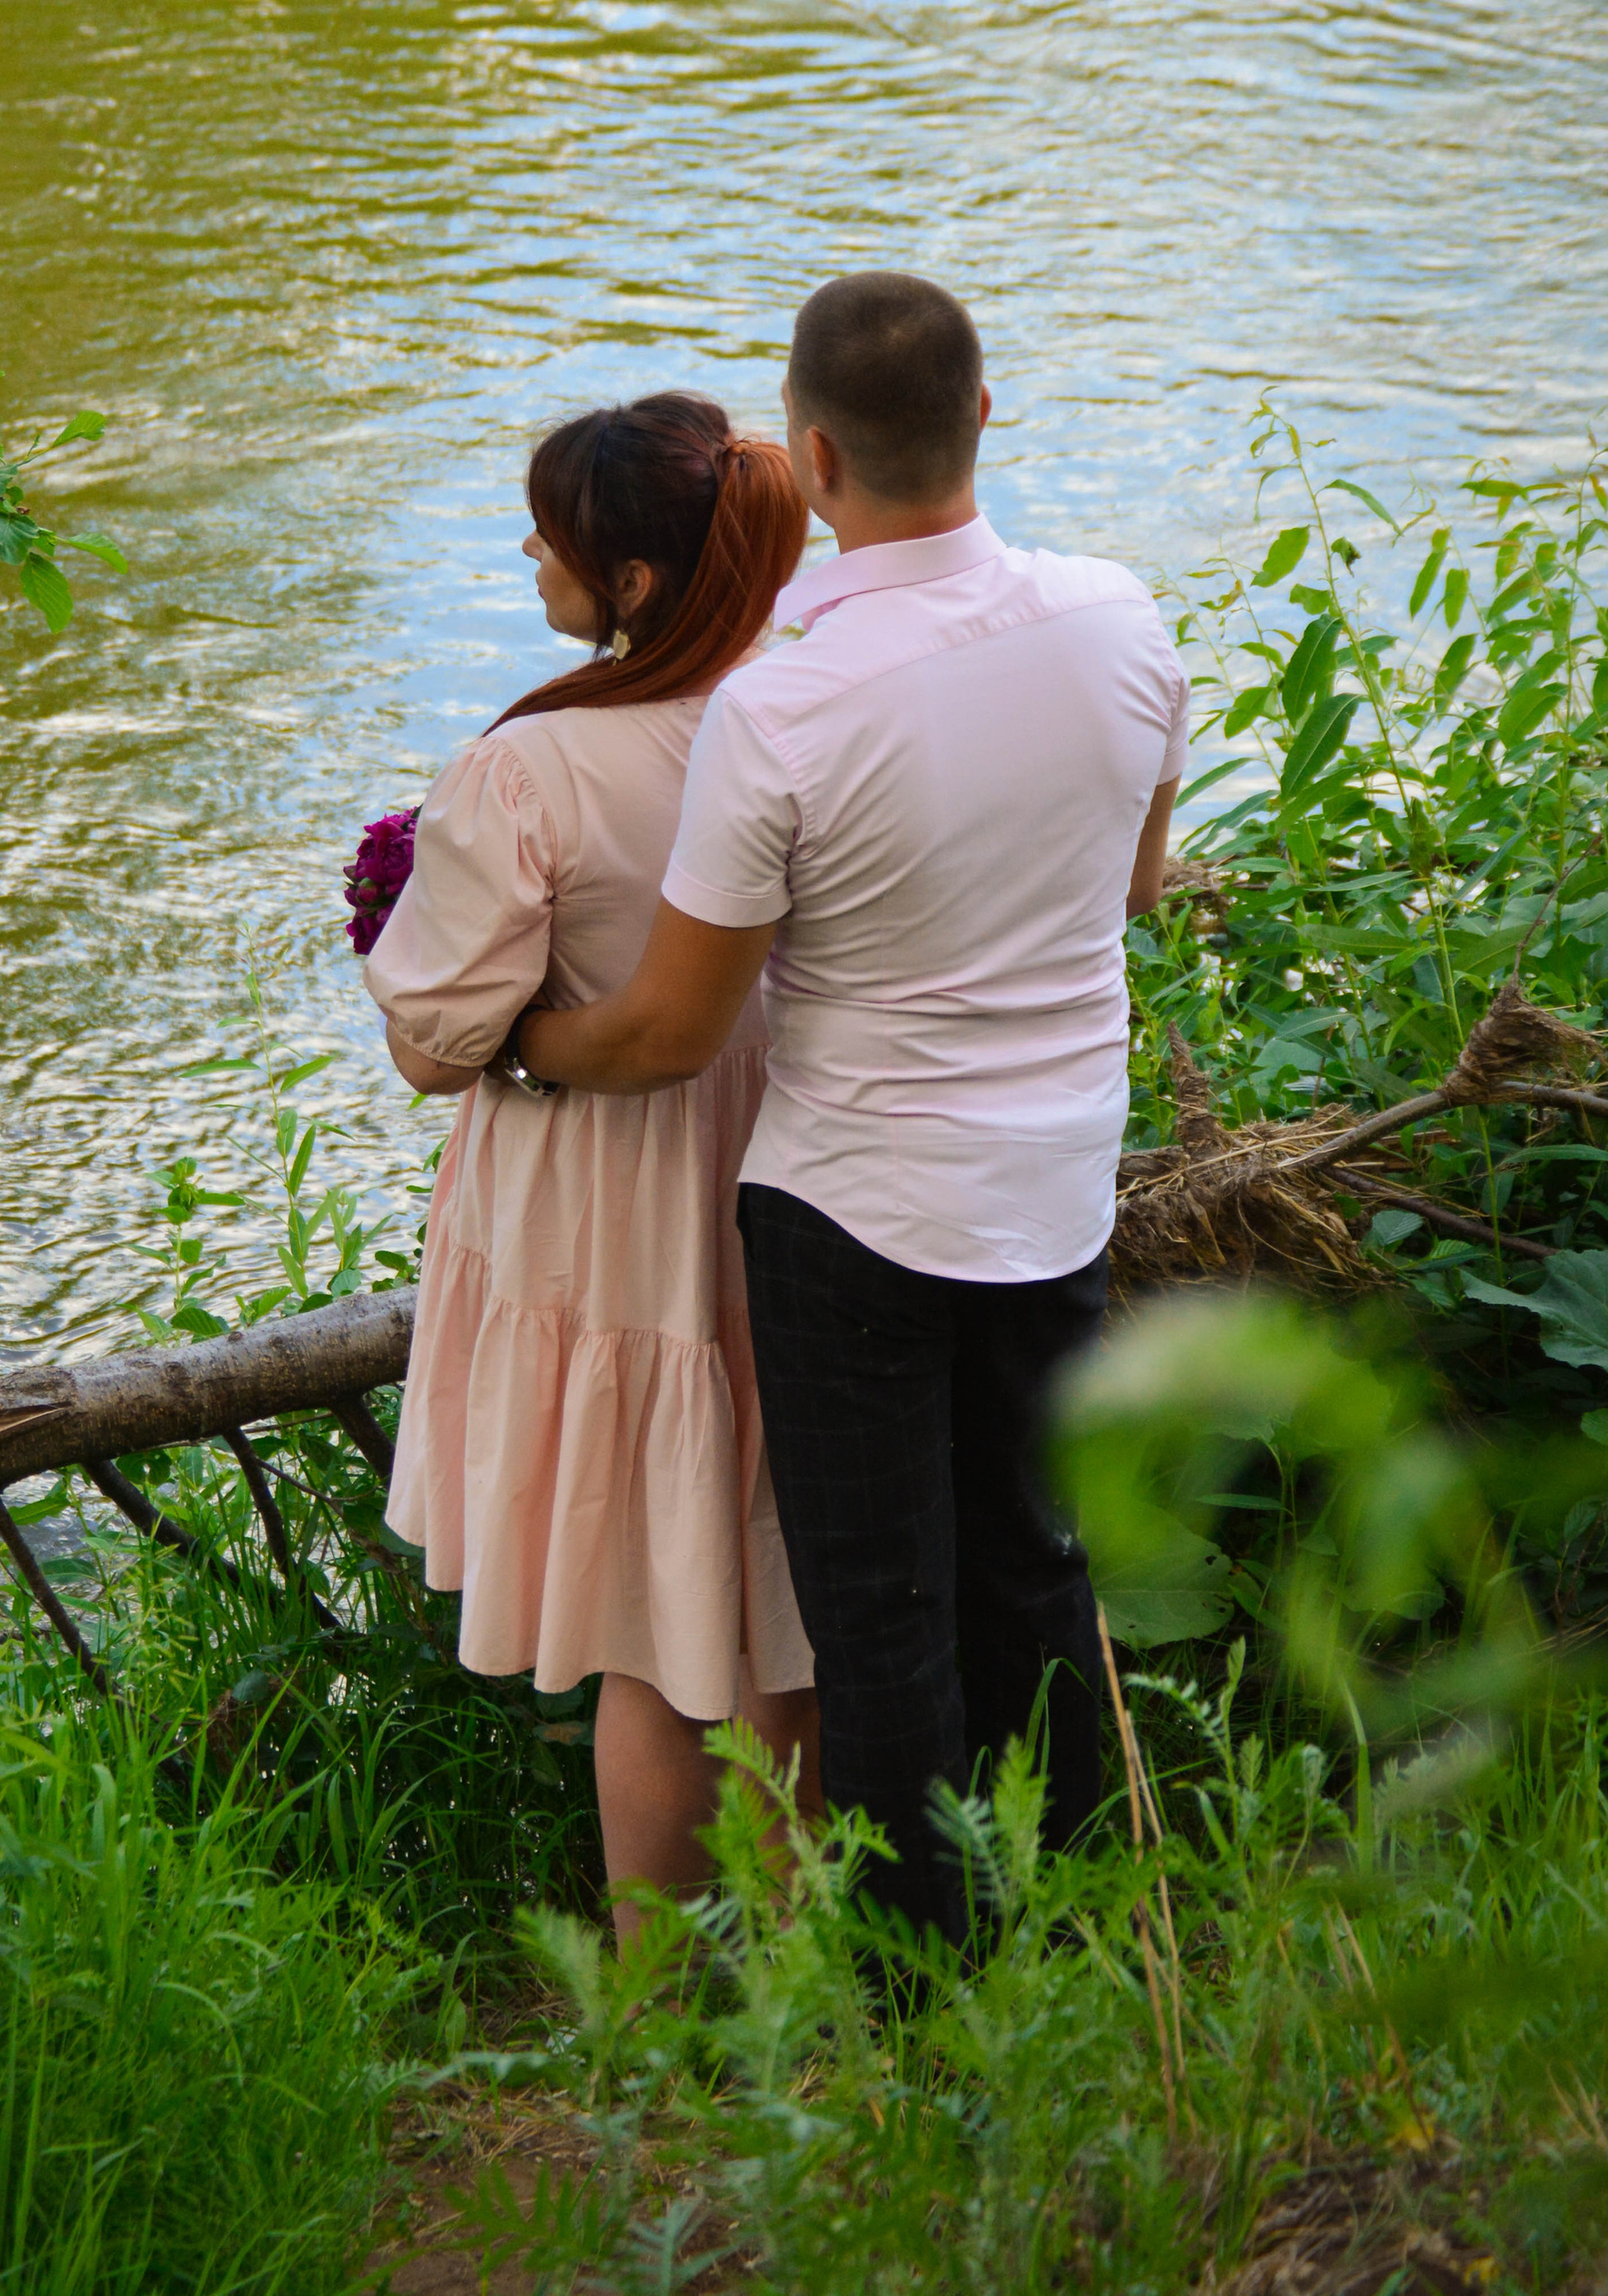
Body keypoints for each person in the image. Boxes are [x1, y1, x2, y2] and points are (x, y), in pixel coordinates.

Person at [513, 276, 1187, 1947]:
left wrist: (525, 1044)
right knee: (1034, 1568)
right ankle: (1081, 1923)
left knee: (879, 1623)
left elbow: (673, 1029)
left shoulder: (790, 705)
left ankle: (925, 1996)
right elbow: (1139, 888)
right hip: (1055, 1189)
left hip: (859, 1216)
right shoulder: (1123, 619)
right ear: (982, 416)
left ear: (809, 456)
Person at [363, 393, 820, 1926]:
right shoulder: (813, 700)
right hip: (814, 1168)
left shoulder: (538, 770)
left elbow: (434, 1045)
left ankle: (652, 2013)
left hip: (613, 1211)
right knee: (779, 1600)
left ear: (627, 579)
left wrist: (418, 947)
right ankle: (799, 1976)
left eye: (553, 530)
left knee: (652, 1631)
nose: (528, 549)